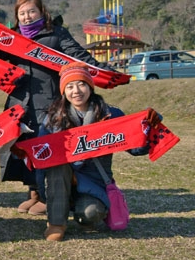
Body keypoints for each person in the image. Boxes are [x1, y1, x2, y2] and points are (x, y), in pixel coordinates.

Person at [0, 0, 108, 216]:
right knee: (23, 147)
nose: (27, 17)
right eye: (22, 13)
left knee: (44, 145)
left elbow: (78, 55)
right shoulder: (12, 36)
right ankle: (33, 193)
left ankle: (47, 196)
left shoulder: (56, 33)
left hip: (48, 101)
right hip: (20, 100)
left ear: (41, 11)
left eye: (31, 11)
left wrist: (103, 70)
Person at [38, 63, 147, 241]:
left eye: (81, 84)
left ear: (90, 86)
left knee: (89, 214)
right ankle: (56, 223)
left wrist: (145, 132)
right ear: (63, 91)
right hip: (60, 179)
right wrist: (42, 192)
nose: (76, 91)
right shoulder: (54, 117)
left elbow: (134, 147)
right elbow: (43, 156)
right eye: (70, 86)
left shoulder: (110, 114)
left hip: (93, 180)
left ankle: (89, 209)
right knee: (57, 163)